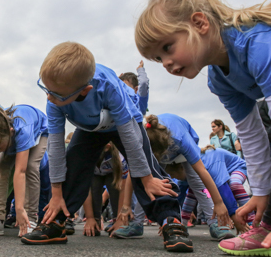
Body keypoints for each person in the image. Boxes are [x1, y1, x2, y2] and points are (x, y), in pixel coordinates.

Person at [134, 0, 271, 254]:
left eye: (168, 47)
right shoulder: (219, 79)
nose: (165, 62)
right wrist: (262, 193)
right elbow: (253, 137)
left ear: (200, 23)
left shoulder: (257, 42)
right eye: (157, 58)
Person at [21, 42, 193, 253]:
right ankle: (56, 221)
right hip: (90, 127)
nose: (49, 98)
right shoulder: (54, 99)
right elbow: (56, 147)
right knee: (73, 162)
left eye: (57, 95)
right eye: (46, 90)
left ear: (85, 90)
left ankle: (170, 220)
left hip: (126, 122)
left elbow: (130, 140)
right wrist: (56, 192)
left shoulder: (107, 86)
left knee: (145, 169)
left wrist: (147, 178)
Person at [144, 114, 236, 240]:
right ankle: (136, 222)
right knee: (149, 181)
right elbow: (137, 174)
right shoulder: (144, 140)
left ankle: (215, 222)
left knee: (197, 182)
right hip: (158, 146)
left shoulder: (181, 139)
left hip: (179, 142)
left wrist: (218, 203)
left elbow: (202, 171)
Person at [0, 101, 48, 238]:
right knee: (1, 167)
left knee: (30, 166)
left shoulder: (22, 130)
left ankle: (30, 219)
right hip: (8, 136)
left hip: (39, 131)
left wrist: (19, 208)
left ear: (10, 133)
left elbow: (20, 172)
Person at [82, 142, 128, 237]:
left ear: (107, 147)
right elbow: (84, 189)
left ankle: (117, 219)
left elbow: (124, 188)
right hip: (94, 175)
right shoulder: (84, 154)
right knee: (94, 187)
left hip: (113, 173)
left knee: (115, 186)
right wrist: (89, 217)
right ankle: (96, 220)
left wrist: (120, 219)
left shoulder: (120, 157)